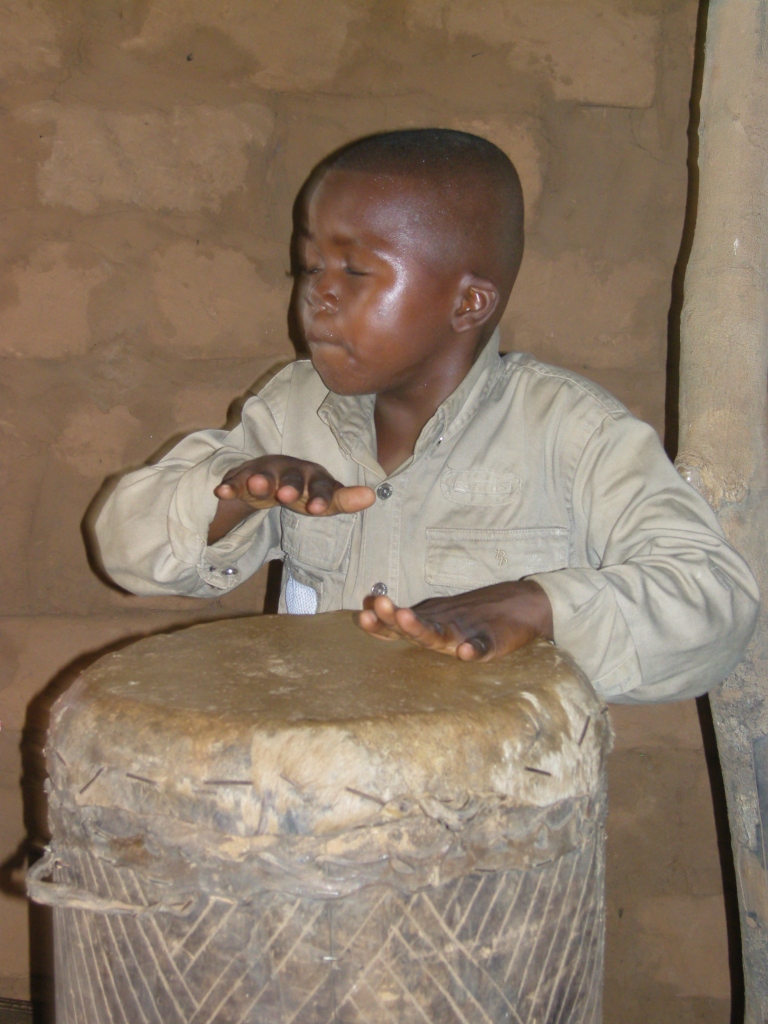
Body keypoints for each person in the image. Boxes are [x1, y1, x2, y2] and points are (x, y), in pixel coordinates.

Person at [94, 129, 759, 703]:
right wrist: (234, 494)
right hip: (319, 807)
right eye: (308, 265)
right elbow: (124, 550)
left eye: (355, 271)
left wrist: (539, 605)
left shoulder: (572, 434)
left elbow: (716, 603)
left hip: (497, 820)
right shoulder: (295, 411)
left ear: (468, 304)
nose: (318, 295)